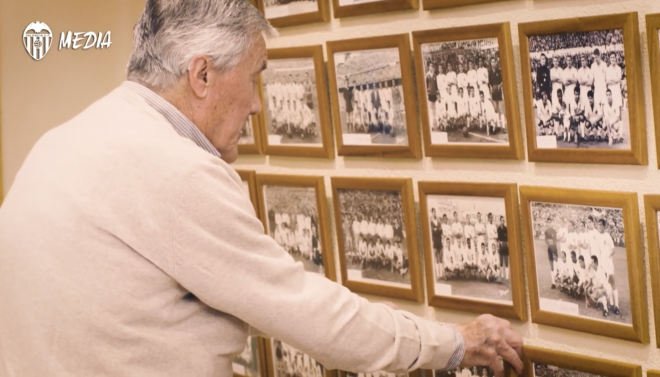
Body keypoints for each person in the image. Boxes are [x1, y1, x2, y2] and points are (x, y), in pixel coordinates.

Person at [0, 1, 524, 376]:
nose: (256, 105)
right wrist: (455, 344)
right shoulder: (172, 169)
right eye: (256, 76)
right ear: (202, 75)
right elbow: (313, 317)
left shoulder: (65, 139)